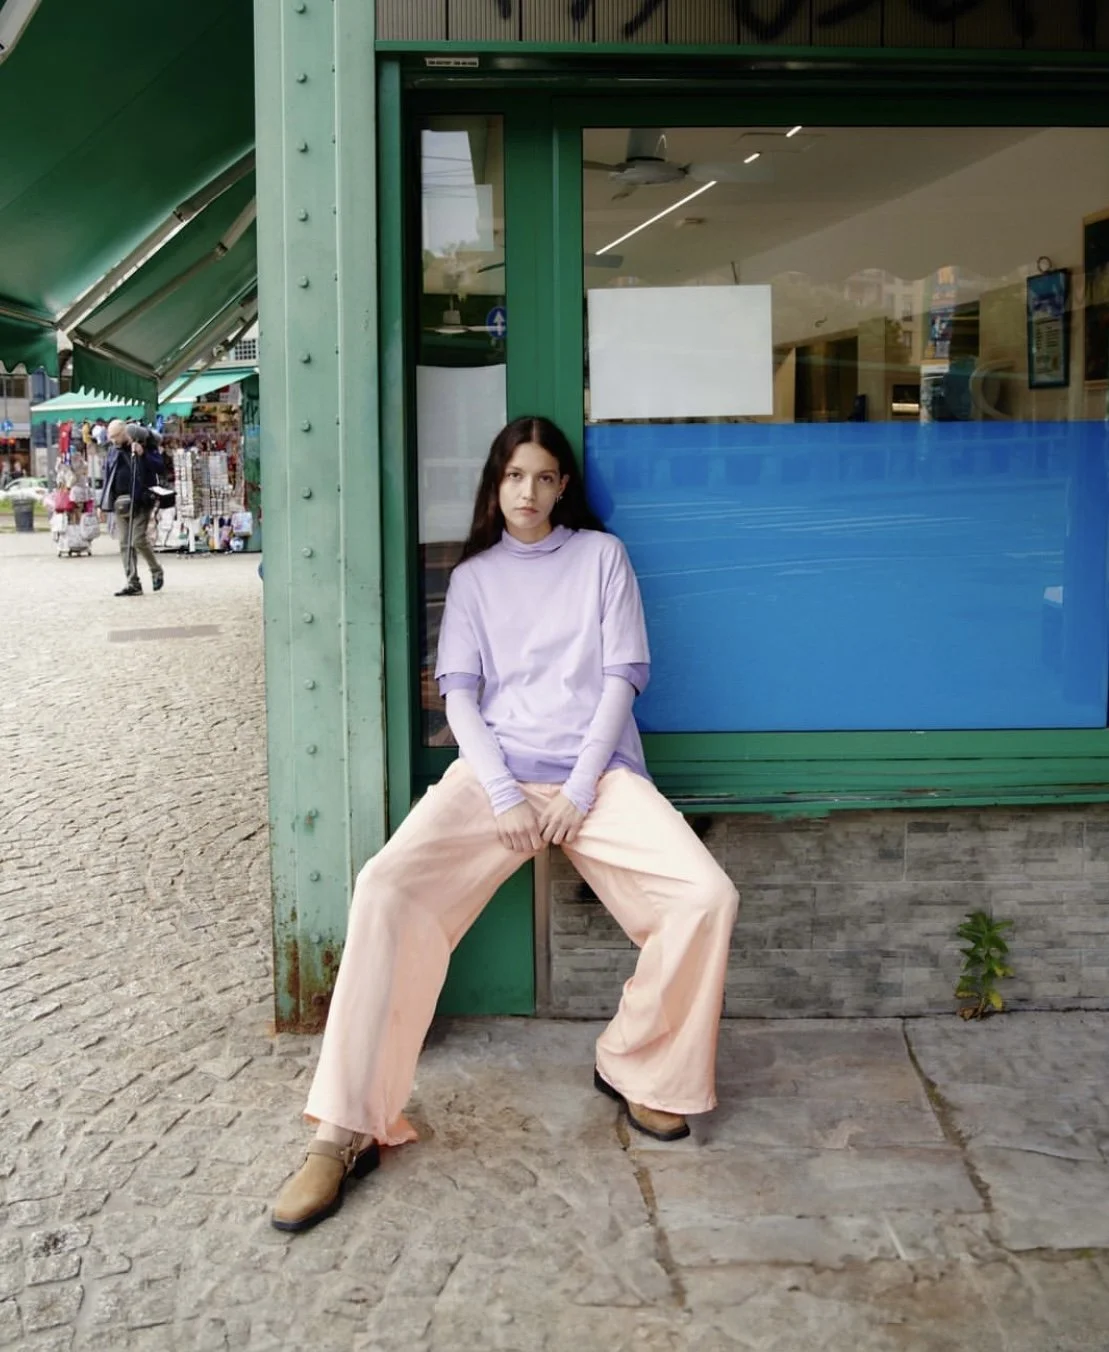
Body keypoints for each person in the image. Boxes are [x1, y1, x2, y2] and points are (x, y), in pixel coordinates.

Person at [271, 415, 740, 1234]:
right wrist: (501, 795)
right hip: (495, 779)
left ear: (564, 487)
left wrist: (577, 791)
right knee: (385, 887)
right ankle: (345, 1130)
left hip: (594, 780)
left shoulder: (602, 559)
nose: (528, 490)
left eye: (544, 476)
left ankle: (638, 1066)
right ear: (497, 484)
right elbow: (458, 695)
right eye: (513, 475)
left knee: (703, 895)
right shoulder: (477, 577)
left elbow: (621, 680)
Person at [100, 419, 165, 597]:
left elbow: (160, 467)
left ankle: (156, 570)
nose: (113, 440)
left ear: (125, 433)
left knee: (137, 539)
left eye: (115, 436)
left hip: (142, 500)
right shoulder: (113, 451)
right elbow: (108, 476)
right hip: (120, 502)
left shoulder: (144, 446)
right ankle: (133, 582)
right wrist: (103, 504)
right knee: (124, 543)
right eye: (110, 437)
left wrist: (143, 454)